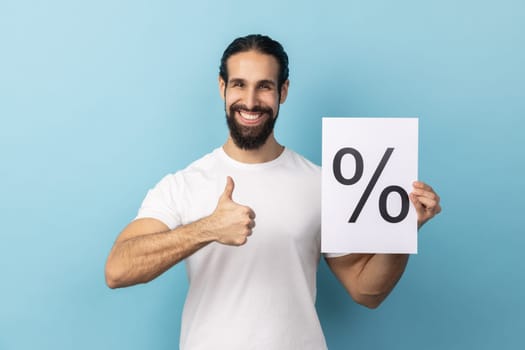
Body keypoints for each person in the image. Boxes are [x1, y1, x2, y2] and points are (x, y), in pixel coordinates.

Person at [105, 34, 441, 350]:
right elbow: (118, 269)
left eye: (264, 87)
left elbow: (367, 290)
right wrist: (207, 229)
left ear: (283, 91)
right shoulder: (184, 184)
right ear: (222, 87)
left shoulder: (323, 183)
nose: (250, 101)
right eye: (239, 84)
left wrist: (402, 232)